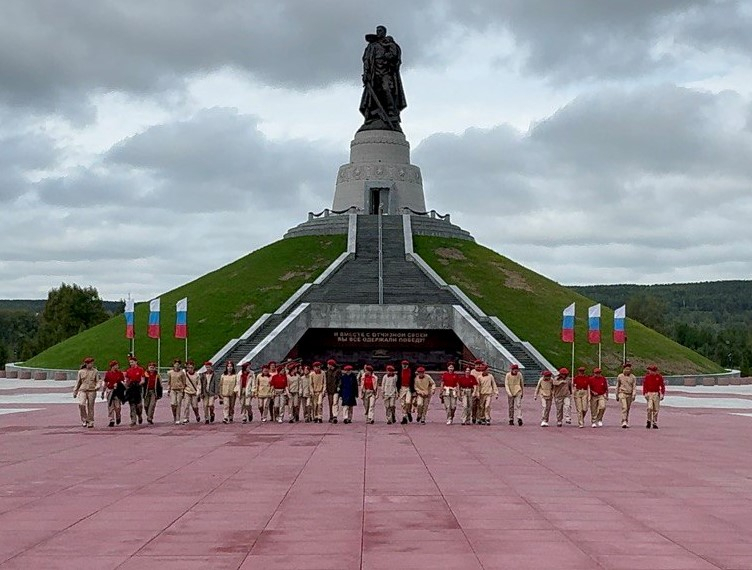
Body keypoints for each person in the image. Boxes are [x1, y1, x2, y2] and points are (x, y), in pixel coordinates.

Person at [359, 25, 407, 131]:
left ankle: (391, 112)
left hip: (386, 73)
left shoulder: (389, 44)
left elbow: (395, 56)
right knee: (374, 94)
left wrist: (388, 56)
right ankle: (373, 115)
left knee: (387, 90)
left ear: (384, 32)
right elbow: (366, 59)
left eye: (380, 30)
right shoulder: (372, 46)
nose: (378, 32)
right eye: (377, 30)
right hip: (374, 74)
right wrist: (366, 73)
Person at [73, 357, 99, 428]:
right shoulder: (81, 372)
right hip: (83, 390)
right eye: (90, 363)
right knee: (81, 404)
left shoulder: (95, 371)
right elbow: (78, 382)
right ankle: (84, 419)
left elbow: (98, 380)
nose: (92, 364)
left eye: (92, 363)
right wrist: (75, 391)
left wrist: (97, 386)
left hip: (91, 390)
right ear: (87, 364)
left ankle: (90, 421)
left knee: (90, 406)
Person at [101, 360, 125, 427]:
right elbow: (105, 383)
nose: (117, 366)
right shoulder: (108, 373)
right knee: (110, 406)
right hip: (110, 390)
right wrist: (103, 392)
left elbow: (123, 382)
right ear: (113, 366)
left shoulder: (120, 373)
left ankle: (118, 416)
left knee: (117, 407)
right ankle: (111, 419)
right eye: (116, 365)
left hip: (117, 391)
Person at [124, 356, 146, 426]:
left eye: (132, 362)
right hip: (131, 387)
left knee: (138, 405)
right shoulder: (128, 370)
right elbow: (127, 380)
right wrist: (126, 386)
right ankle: (133, 420)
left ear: (136, 362)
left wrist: (139, 384)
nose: (131, 363)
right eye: (130, 362)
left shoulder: (140, 369)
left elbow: (143, 379)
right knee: (132, 404)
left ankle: (139, 415)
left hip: (138, 387)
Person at [615, 363, 637, 428]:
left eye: (629, 369)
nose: (628, 370)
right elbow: (617, 386)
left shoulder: (633, 377)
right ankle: (623, 421)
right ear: (623, 369)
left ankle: (626, 420)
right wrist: (616, 395)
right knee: (624, 407)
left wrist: (634, 394)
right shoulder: (620, 376)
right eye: (626, 369)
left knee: (627, 408)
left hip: (629, 394)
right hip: (622, 393)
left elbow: (634, 386)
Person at [643, 364, 666, 429]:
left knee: (656, 409)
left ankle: (654, 422)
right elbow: (645, 385)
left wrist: (662, 394)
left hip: (656, 393)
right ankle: (649, 420)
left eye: (652, 371)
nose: (650, 372)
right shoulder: (647, 377)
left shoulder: (659, 377)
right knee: (649, 408)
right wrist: (645, 393)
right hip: (649, 393)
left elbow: (662, 386)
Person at [166, 359, 187, 425]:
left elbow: (184, 382)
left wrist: (183, 390)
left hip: (180, 390)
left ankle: (178, 418)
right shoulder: (170, 372)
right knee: (173, 404)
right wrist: (168, 390)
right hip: (173, 389)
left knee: (178, 404)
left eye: (178, 364)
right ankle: (174, 415)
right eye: (176, 364)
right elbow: (169, 382)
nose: (177, 365)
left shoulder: (182, 373)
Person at [398, 360, 415, 424]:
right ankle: (404, 417)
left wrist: (414, 391)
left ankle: (408, 412)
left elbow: (413, 381)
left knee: (408, 402)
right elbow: (398, 381)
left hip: (408, 388)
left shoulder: (411, 372)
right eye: (403, 364)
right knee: (402, 404)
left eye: (406, 365)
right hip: (402, 388)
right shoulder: (400, 372)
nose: (404, 366)